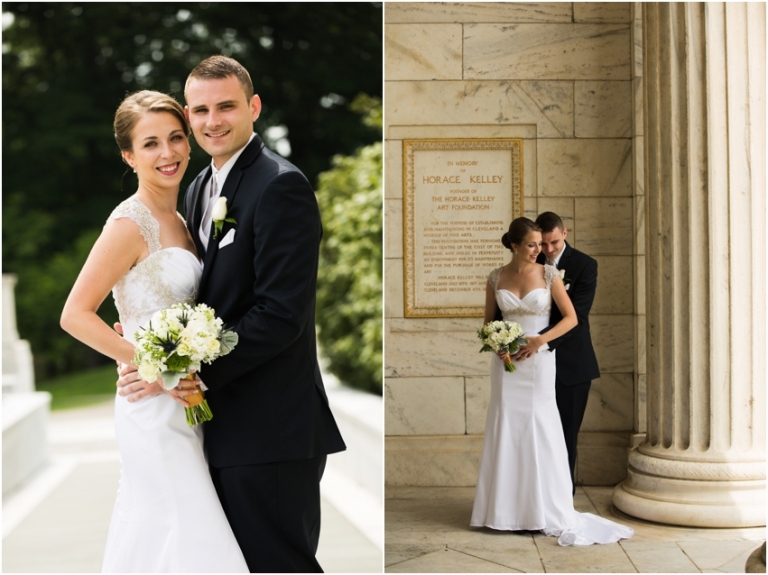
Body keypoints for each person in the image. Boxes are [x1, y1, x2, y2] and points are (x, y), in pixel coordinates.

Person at [115, 55, 346, 572]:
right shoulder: (198, 189)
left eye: (226, 106)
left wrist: (181, 367)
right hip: (216, 428)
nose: (212, 120)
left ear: (254, 107)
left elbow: (279, 315)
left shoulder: (280, 184)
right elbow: (201, 297)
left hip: (272, 429)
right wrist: (142, 334)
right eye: (199, 110)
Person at [60, 90, 249, 572]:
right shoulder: (129, 223)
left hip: (186, 399)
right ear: (128, 155)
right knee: (184, 525)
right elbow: (76, 314)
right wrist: (149, 362)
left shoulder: (186, 216)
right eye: (150, 144)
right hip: (151, 404)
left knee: (176, 528)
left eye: (175, 138)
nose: (167, 154)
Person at [470, 217, 632, 545]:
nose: (539, 251)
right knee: (506, 426)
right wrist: (499, 346)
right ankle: (504, 511)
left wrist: (539, 342)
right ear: (514, 245)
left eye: (541, 244)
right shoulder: (494, 277)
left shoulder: (549, 274)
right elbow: (489, 323)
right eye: (532, 245)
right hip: (505, 366)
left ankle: (544, 507)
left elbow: (572, 318)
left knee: (540, 427)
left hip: (540, 361)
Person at [514, 211, 600, 495]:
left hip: (570, 366)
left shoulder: (585, 265)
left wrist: (540, 342)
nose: (548, 251)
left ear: (565, 233)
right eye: (543, 244)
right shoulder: (530, 261)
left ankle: (563, 500)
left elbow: (578, 318)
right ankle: (532, 497)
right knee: (534, 433)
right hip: (530, 365)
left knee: (565, 436)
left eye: (553, 243)